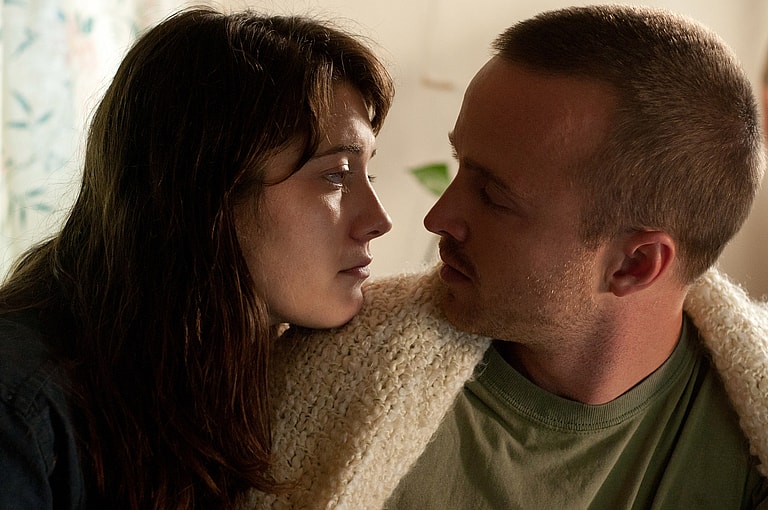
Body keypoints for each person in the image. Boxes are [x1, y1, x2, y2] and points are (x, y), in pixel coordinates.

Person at [246, 5, 768, 509]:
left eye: (494, 197)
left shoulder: (743, 449)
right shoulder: (326, 386)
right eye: (460, 164)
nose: (437, 217)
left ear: (635, 265)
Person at [0, 6, 393, 509]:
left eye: (368, 174)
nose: (379, 220)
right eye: (336, 175)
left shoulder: (236, 379)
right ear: (206, 193)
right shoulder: (21, 409)